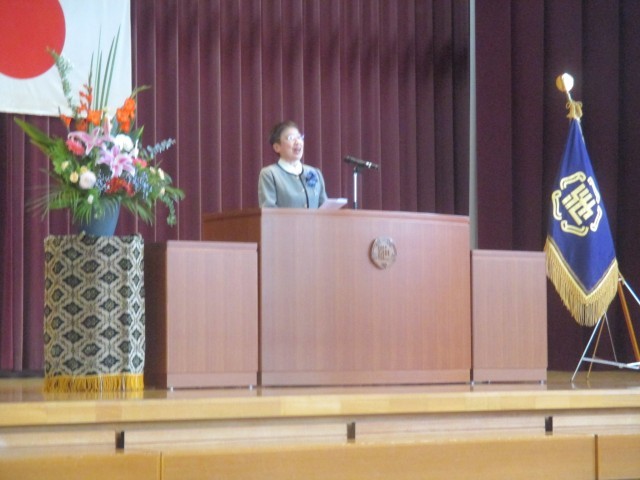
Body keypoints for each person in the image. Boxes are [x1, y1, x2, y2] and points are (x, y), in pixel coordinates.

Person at [258, 120, 327, 208]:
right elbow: (269, 209)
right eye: (291, 138)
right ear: (277, 147)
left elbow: (324, 206)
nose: (297, 142)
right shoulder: (270, 174)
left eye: (299, 137)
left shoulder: (314, 172)